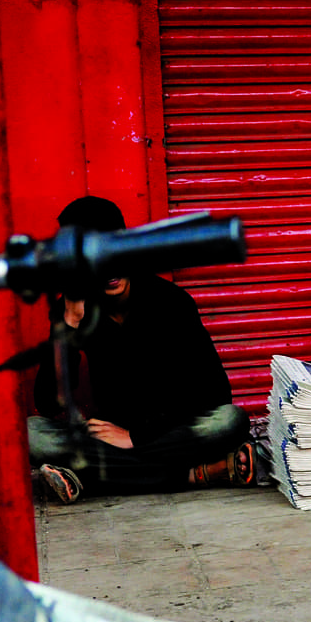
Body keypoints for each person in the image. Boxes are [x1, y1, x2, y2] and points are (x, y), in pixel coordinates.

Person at [29, 196, 253, 504]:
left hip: (168, 430)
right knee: (32, 434)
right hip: (110, 434)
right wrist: (69, 324)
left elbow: (216, 394)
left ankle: (90, 478)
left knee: (230, 421)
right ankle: (200, 473)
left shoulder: (172, 303)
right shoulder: (72, 310)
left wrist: (135, 438)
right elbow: (47, 402)